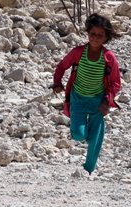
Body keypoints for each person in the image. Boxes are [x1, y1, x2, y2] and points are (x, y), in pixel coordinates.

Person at [52, 14, 122, 175]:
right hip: (78, 98)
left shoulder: (109, 57)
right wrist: (57, 83)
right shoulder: (78, 52)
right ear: (88, 34)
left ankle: (88, 169)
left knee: (96, 137)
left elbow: (115, 82)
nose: (95, 38)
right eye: (92, 34)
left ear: (106, 38)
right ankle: (89, 132)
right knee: (78, 134)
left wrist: (107, 100)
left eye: (100, 35)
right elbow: (62, 66)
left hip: (98, 100)